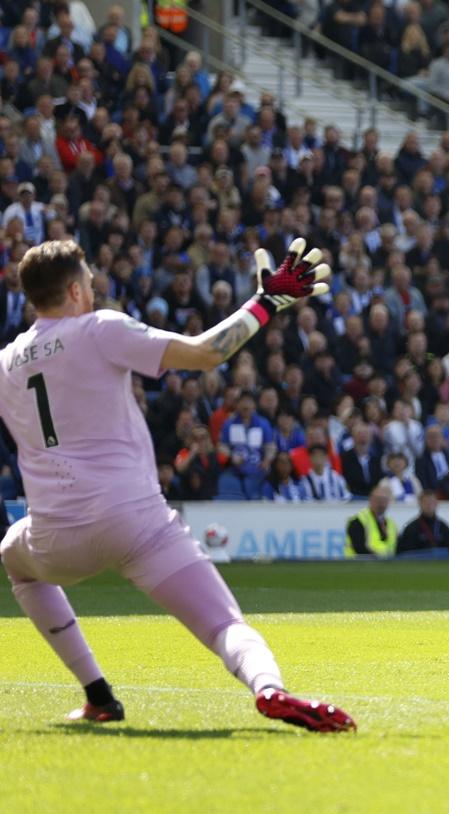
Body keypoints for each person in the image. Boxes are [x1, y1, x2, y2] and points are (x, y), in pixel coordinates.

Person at [0, 239, 354, 731]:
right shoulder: (99, 328)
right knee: (226, 625)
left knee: (15, 562)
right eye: (91, 282)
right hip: (135, 521)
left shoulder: (6, 363)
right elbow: (207, 353)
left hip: (56, 538)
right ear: (76, 289)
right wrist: (266, 303)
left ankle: (98, 695)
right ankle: (269, 688)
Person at [344, 481, 398, 558]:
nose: (381, 503)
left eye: (384, 500)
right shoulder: (358, 521)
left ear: (388, 502)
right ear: (371, 499)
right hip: (359, 566)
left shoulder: (391, 524)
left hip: (386, 566)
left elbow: (396, 548)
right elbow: (360, 549)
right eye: (378, 499)